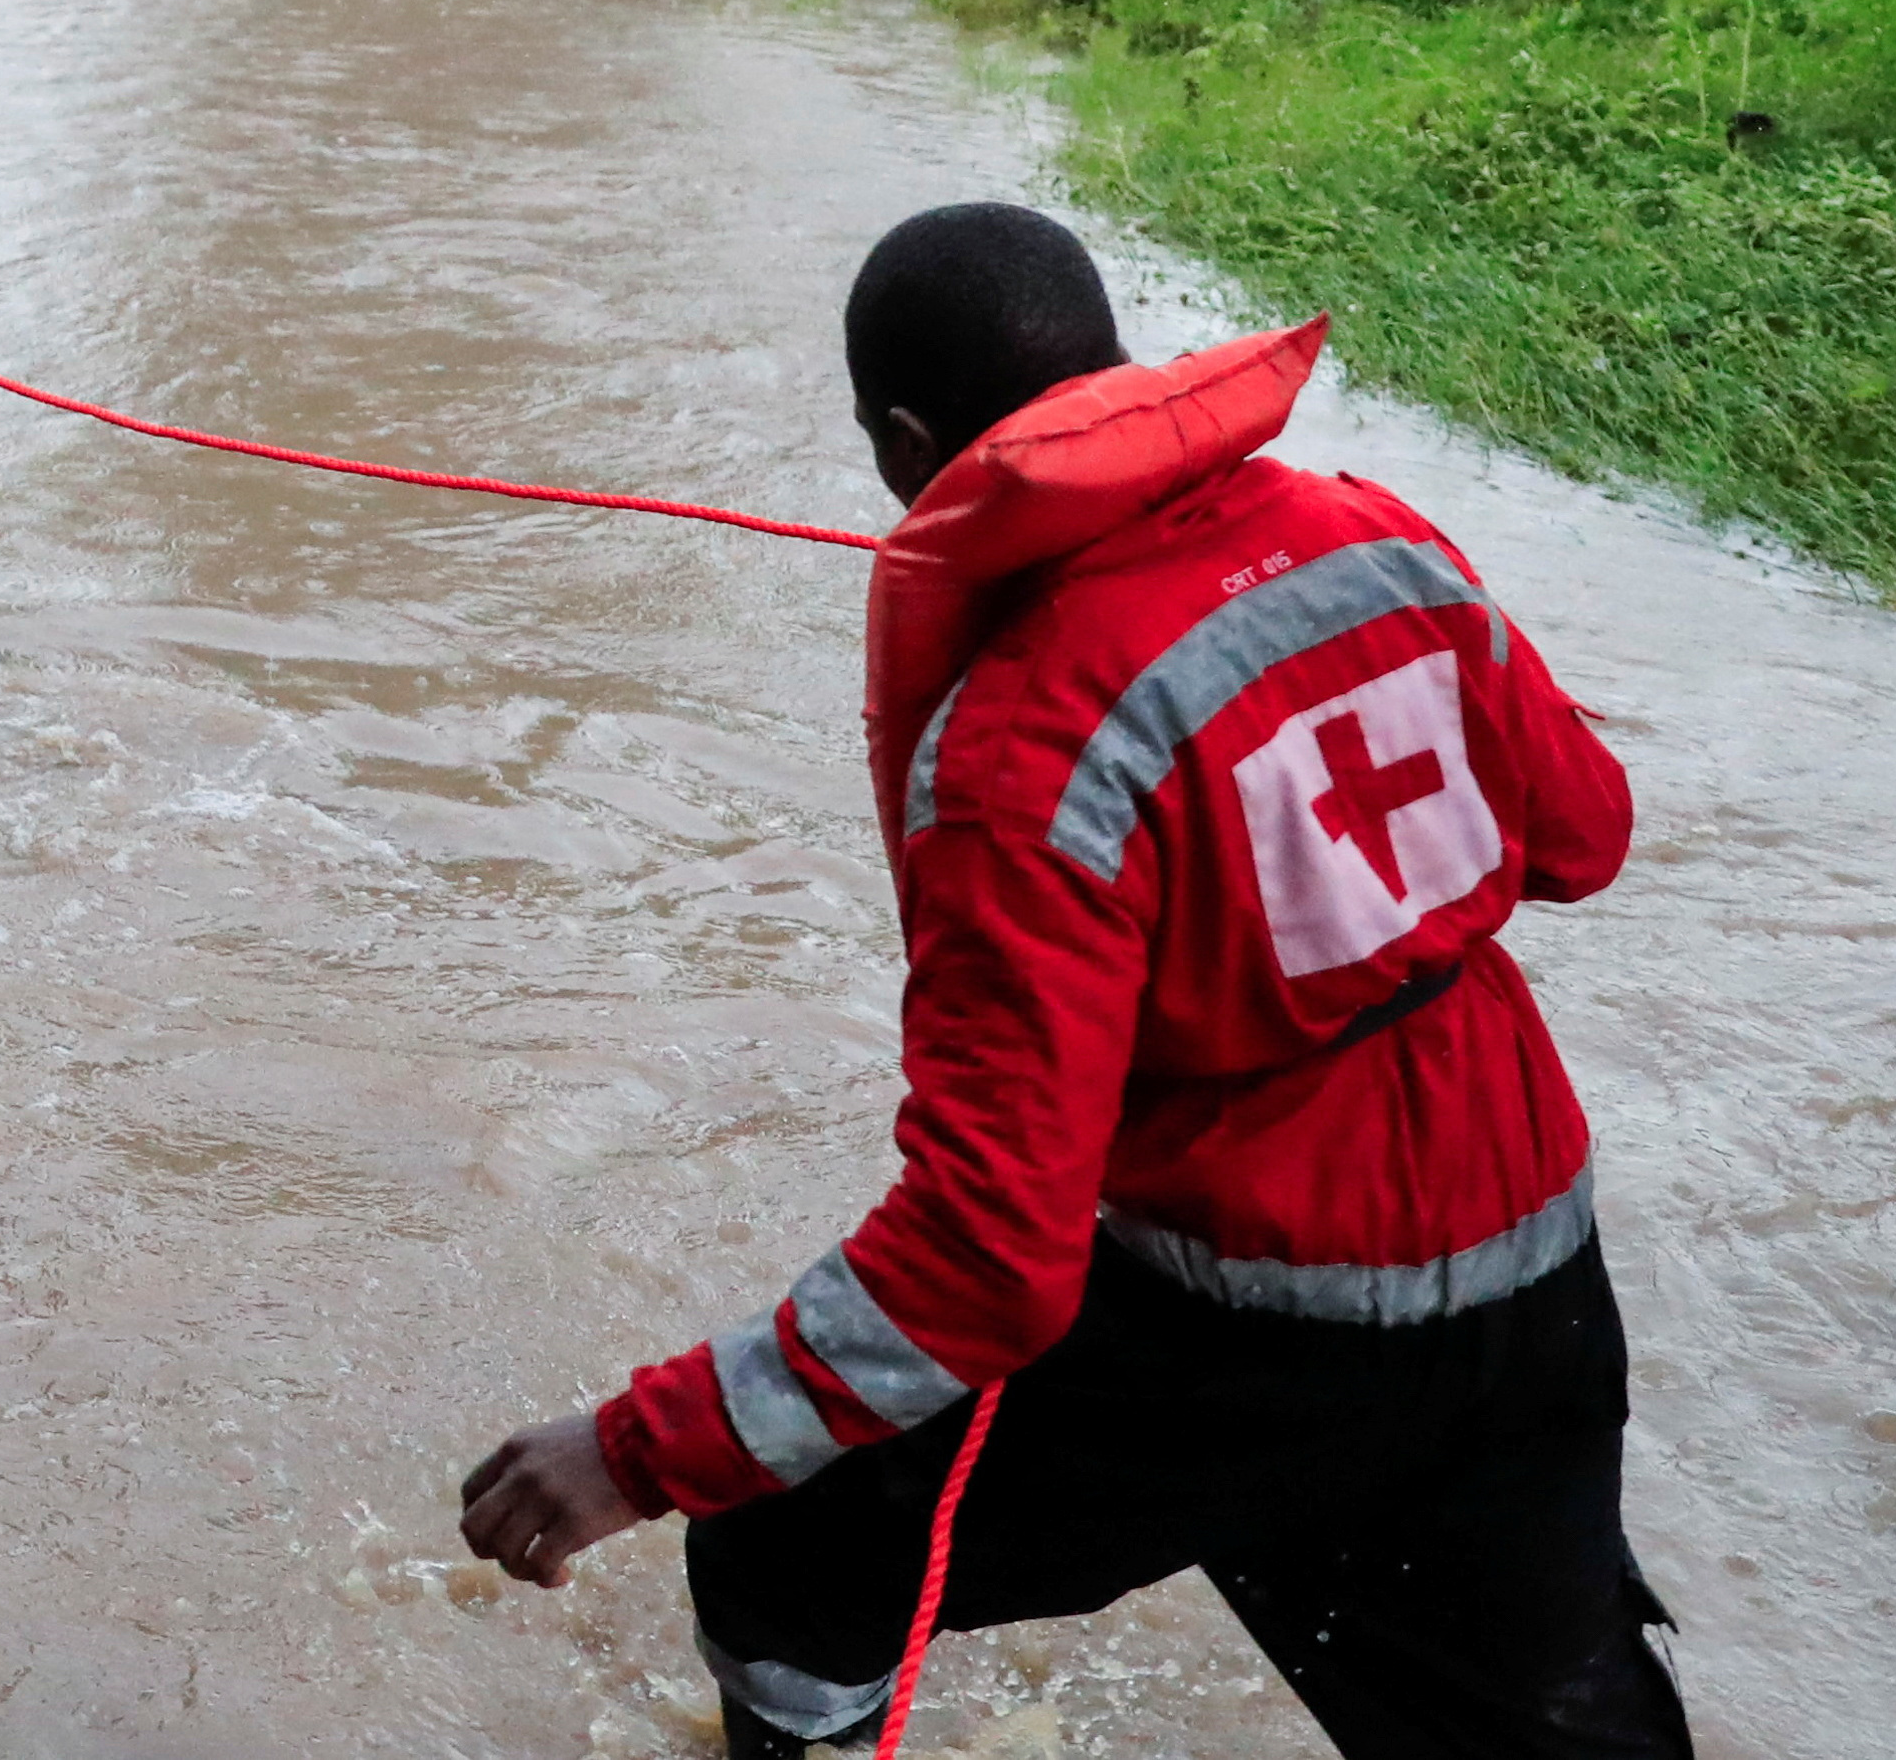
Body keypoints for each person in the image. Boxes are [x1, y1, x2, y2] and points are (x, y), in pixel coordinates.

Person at [455, 204, 1690, 1759]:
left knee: (785, 1552)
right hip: (1537, 1258)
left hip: (1260, 1315)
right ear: (1115, 361)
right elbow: (1587, 835)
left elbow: (986, 1257)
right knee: (1538, 1713)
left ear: (908, 445)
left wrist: (638, 1449)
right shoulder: (1382, 540)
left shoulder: (1019, 747)